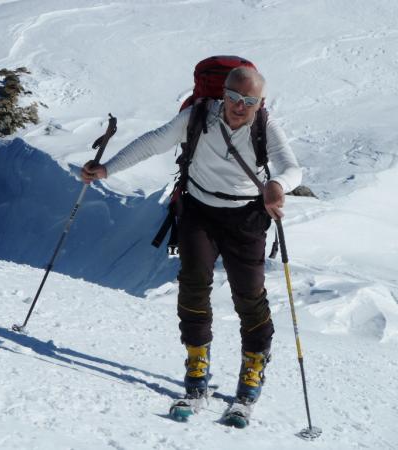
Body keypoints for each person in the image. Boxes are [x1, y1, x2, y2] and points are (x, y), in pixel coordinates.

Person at [81, 67, 302, 405]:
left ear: (261, 102)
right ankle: (197, 360)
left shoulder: (265, 125)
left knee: (249, 295)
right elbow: (153, 142)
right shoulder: (198, 115)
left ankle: (254, 363)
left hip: (245, 218)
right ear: (222, 94)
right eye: (233, 97)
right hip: (199, 212)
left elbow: (292, 168)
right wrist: (107, 168)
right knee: (193, 285)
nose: (239, 106)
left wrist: (278, 185)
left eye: (248, 101)